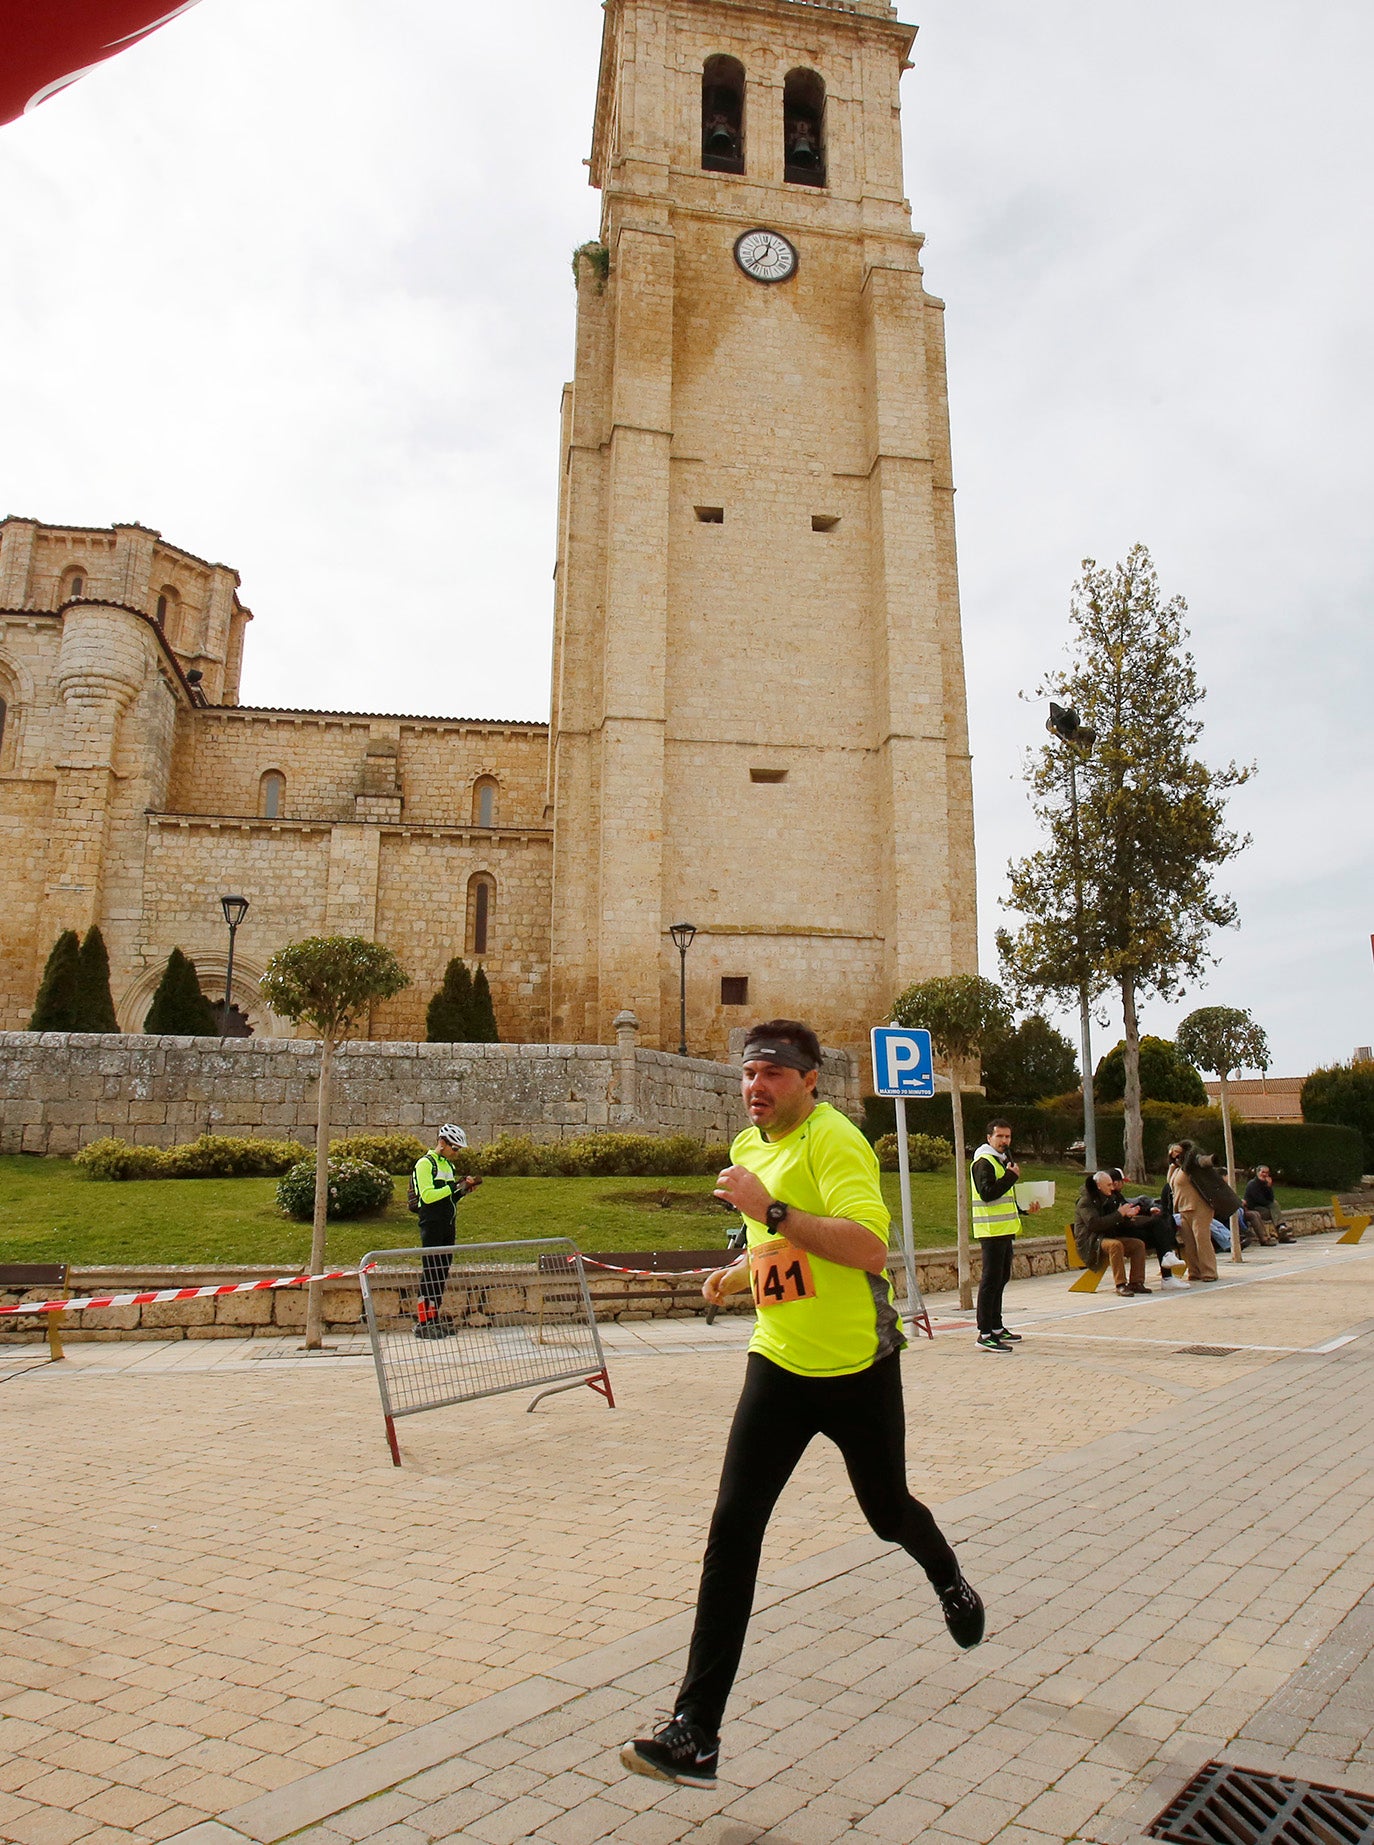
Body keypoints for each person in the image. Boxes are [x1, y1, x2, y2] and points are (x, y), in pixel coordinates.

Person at [620, 1020, 983, 1789]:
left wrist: (773, 1210)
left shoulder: (838, 1141)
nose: (755, 1086)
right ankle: (698, 1731)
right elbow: (778, 1252)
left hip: (857, 1366)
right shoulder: (747, 1151)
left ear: (810, 1079)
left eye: (772, 1074)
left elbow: (866, 1247)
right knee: (732, 1530)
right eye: (748, 1073)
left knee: (887, 1511)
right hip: (778, 1362)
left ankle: (946, 1572)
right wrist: (739, 1270)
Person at [971, 1118, 1041, 1352]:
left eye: (1008, 1137)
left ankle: (997, 1326)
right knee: (990, 1281)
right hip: (991, 1231)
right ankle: (985, 1333)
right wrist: (1011, 1177)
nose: (1004, 1141)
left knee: (1002, 1278)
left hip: (1004, 1230)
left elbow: (1004, 1197)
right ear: (989, 1137)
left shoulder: (1002, 1161)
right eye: (1000, 1136)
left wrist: (1023, 1209)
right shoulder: (984, 1162)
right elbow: (987, 1193)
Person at [412, 1125, 481, 1338]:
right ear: (442, 1143)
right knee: (431, 1272)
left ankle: (434, 1317)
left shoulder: (447, 1166)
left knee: (441, 1272)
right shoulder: (425, 1164)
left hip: (448, 1224)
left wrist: (463, 1190)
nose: (456, 1153)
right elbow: (428, 1196)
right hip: (431, 1224)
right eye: (455, 1148)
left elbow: (448, 1198)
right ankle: (423, 1322)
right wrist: (452, 1188)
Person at [1074, 1171, 1150, 1294]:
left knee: (1138, 1244)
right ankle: (1120, 1284)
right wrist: (1120, 1214)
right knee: (1115, 1245)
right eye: (1109, 1185)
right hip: (1091, 1241)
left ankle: (1136, 1282)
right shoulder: (1085, 1202)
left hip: (1106, 1237)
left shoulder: (1110, 1199)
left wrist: (1126, 1216)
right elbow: (1094, 1224)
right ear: (1099, 1185)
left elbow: (1115, 1219)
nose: (1112, 1187)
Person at [1108, 1167, 1185, 1282]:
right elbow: (1113, 1217)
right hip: (1119, 1232)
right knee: (1158, 1225)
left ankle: (1168, 1274)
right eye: (1122, 1182)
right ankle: (1168, 1264)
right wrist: (1123, 1214)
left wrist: (1147, 1210)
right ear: (1115, 1182)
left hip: (1125, 1227)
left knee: (1160, 1230)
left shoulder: (1117, 1196)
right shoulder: (1107, 1198)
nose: (1123, 1185)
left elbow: (1128, 1207)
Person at [1168, 1141, 1219, 1283]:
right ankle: (1194, 1271)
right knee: (1189, 1243)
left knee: (1201, 1239)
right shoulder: (1176, 1169)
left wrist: (1185, 1149)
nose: (1176, 1158)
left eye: (1179, 1155)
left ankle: (1209, 1272)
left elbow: (1198, 1156)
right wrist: (1172, 1161)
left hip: (1199, 1207)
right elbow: (1170, 1183)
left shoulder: (1192, 1167)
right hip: (1183, 1209)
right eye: (1173, 1156)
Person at [1243, 1166, 1293, 1244]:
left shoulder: (1266, 1184)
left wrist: (1269, 1187)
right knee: (1275, 1211)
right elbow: (1258, 1200)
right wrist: (1270, 1204)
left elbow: (1271, 1198)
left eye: (1267, 1173)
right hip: (1254, 1208)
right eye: (1263, 1172)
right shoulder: (1252, 1184)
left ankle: (1281, 1229)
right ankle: (1281, 1230)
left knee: (1275, 1206)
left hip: (1264, 1207)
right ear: (1258, 1173)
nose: (1265, 1174)